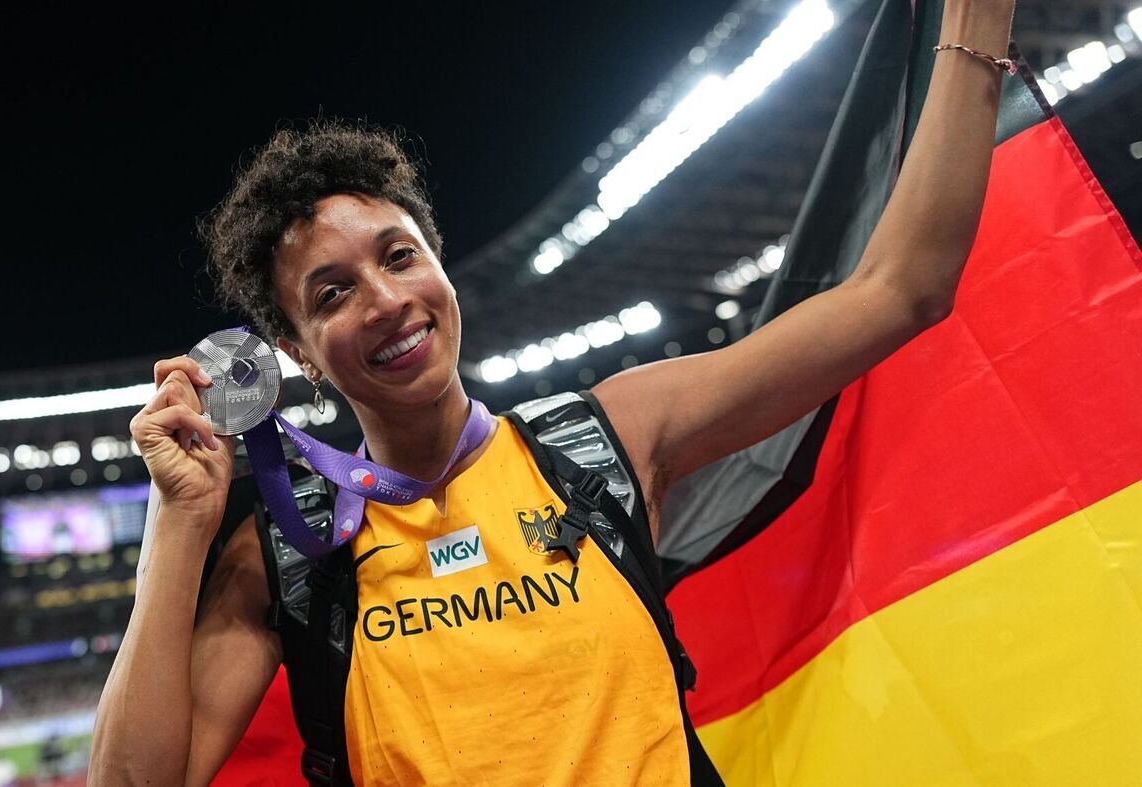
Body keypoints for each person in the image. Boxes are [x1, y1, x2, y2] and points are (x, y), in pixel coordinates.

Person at [89, 1, 1015, 782]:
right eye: (332, 294)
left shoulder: (610, 437)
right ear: (298, 352)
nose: (385, 300)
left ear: (439, 266)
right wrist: (180, 523)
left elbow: (903, 288)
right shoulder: (292, 549)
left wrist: (977, 21)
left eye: (399, 256)